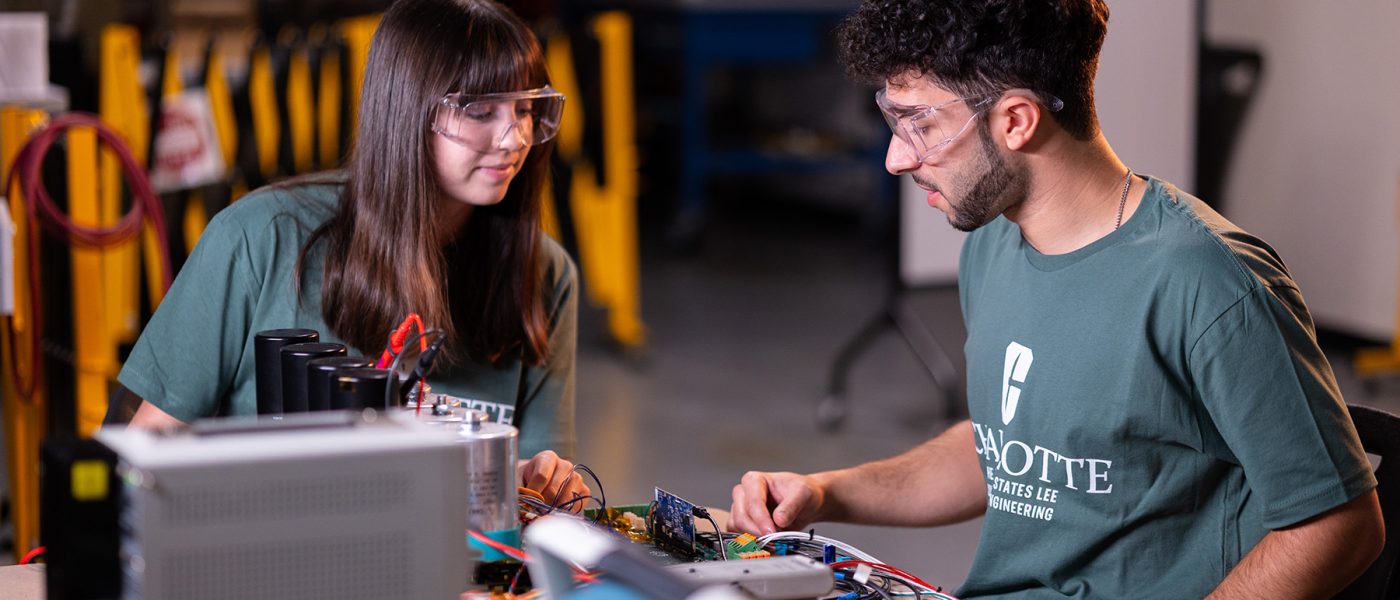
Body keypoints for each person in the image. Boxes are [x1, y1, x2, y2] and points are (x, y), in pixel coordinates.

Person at [728, 1, 1384, 597]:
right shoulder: (993, 245)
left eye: (920, 124)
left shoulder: (1209, 282)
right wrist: (821, 493)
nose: (898, 159)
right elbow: (1004, 447)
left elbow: (1338, 524)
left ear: (1016, 120)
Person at [114, 0, 587, 502]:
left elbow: (536, 497)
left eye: (526, 110)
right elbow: (143, 455)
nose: (515, 138)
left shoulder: (544, 274)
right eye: (481, 111)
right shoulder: (260, 240)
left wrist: (544, 481)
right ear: (408, 111)